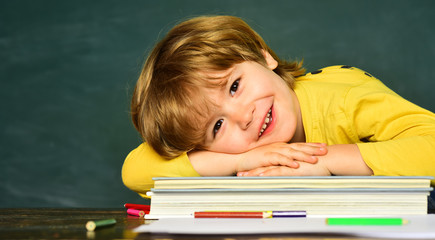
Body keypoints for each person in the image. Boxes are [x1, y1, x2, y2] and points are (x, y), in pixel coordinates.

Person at [122, 15, 435, 199]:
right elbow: (134, 172)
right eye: (217, 126)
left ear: (263, 57)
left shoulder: (346, 99)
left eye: (234, 86)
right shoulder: (240, 152)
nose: (243, 117)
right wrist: (247, 157)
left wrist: (325, 163)